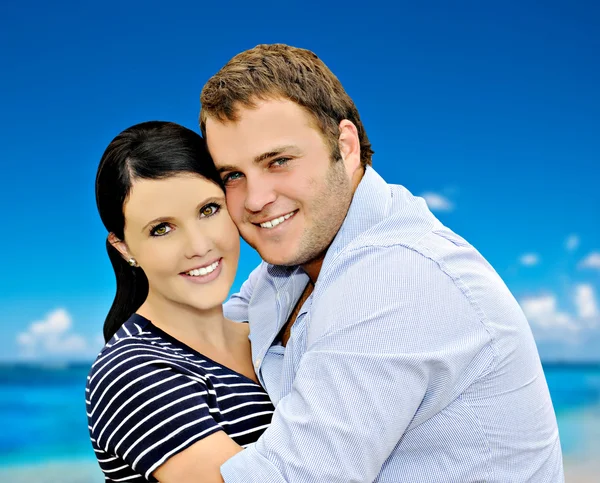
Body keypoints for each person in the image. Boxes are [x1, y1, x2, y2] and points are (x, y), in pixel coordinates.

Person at [199, 44, 565, 482]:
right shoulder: (287, 272)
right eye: (232, 176)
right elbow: (191, 340)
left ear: (346, 146)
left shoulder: (395, 274)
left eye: (279, 161)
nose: (256, 200)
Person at [86, 121, 274, 483]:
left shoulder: (270, 332)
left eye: (208, 210)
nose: (199, 246)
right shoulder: (131, 372)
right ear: (124, 248)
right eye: (162, 229)